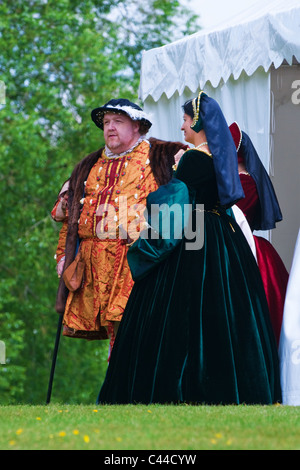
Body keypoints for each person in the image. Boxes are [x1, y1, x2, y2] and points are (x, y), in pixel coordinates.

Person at [97, 91, 282, 405]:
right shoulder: (220, 157)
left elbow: (176, 204)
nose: (181, 127)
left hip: (194, 238)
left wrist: (145, 238)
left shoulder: (195, 157)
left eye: (184, 120)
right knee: (225, 313)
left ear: (197, 121)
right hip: (224, 238)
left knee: (181, 314)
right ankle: (236, 387)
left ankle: (180, 388)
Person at [52, 98, 187, 353]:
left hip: (135, 264)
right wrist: (63, 255)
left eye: (118, 121)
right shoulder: (88, 165)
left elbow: (183, 204)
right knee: (115, 341)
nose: (110, 128)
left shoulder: (163, 155)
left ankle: (130, 390)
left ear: (136, 125)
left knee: (134, 337)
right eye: (106, 123)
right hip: (93, 270)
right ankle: (117, 389)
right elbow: (69, 220)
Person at [229, 122, 289, 345]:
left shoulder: (245, 183)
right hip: (240, 246)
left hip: (244, 250)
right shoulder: (235, 182)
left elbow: (232, 219)